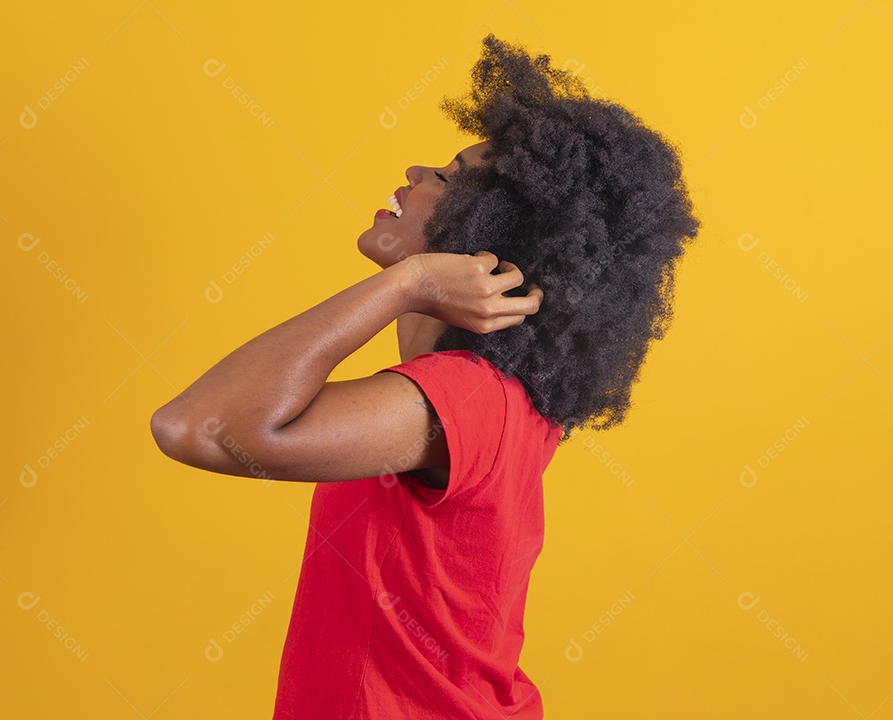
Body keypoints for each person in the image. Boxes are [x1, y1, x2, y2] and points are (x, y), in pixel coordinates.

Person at [150, 32, 700, 720]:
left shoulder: (462, 398)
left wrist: (405, 283)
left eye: (447, 175)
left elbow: (194, 427)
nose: (414, 172)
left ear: (490, 230)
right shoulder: (480, 399)